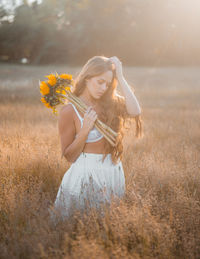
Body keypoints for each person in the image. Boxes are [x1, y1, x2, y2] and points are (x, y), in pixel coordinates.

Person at [49, 56, 142, 221]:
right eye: (100, 82)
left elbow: (135, 111)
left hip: (113, 171)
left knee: (109, 228)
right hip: (85, 175)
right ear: (87, 78)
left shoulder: (110, 103)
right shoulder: (69, 110)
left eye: (107, 84)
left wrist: (120, 76)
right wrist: (84, 132)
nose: (104, 88)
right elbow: (69, 156)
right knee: (77, 228)